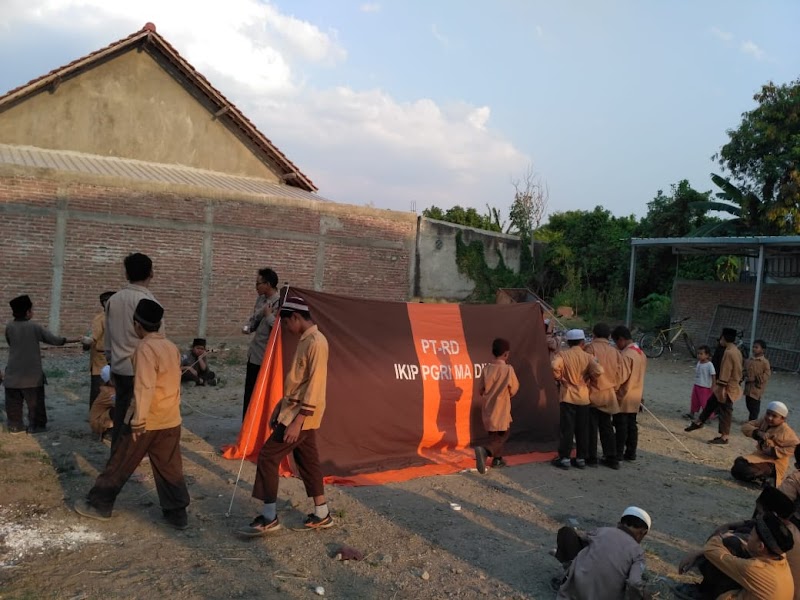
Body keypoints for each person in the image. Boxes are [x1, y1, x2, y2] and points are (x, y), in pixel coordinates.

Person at [75, 299, 190, 529]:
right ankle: (177, 514)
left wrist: (138, 420)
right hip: (170, 419)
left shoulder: (145, 348)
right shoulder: (171, 346)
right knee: (169, 467)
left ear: (137, 325)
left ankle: (99, 504)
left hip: (147, 419)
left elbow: (145, 386)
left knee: (120, 461)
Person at [238, 296, 333, 536]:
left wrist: (298, 421)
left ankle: (269, 517)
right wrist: (280, 407)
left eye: (286, 323)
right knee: (308, 461)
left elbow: (315, 387)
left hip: (301, 415)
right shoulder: (306, 340)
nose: (286, 329)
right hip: (293, 411)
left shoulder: (317, 343)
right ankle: (322, 513)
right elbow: (298, 383)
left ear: (296, 318)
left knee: (268, 457)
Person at [675, 486, 799, 600]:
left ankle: (704, 593)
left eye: (751, 535)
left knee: (728, 546)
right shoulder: (780, 552)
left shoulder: (753, 568)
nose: (749, 536)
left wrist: (723, 537)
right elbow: (749, 527)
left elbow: (712, 550)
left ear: (761, 546)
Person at [105, 252, 161, 453]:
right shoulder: (149, 302)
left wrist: (111, 363)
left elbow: (108, 336)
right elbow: (157, 343)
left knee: (121, 414)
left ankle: (117, 456)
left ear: (127, 273)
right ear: (151, 273)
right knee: (137, 416)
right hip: (140, 370)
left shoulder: (114, 299)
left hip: (119, 367)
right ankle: (124, 461)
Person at [4, 294, 80, 434]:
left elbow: (11, 343)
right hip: (32, 376)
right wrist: (76, 339)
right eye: (31, 310)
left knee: (13, 403)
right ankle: (36, 426)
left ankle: (15, 426)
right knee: (35, 405)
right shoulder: (34, 327)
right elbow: (54, 340)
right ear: (27, 312)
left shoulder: (9, 327)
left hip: (12, 375)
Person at [552, 506, 652, 599]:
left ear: (618, 524)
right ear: (643, 532)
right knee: (643, 591)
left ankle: (566, 575)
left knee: (567, 532)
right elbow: (634, 582)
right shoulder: (638, 553)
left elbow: (577, 540)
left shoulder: (600, 531)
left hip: (572, 593)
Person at [551, 329, 603, 470]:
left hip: (567, 396)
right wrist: (588, 378)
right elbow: (599, 370)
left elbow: (554, 366)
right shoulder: (588, 357)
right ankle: (581, 458)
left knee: (567, 429)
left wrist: (560, 378)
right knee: (582, 429)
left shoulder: (563, 354)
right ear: (582, 342)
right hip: (583, 398)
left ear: (568, 342)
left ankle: (565, 458)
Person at [685, 327, 743, 445]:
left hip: (726, 387)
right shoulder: (736, 350)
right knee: (711, 403)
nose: (720, 340)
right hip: (729, 385)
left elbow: (726, 371)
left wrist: (720, 387)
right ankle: (699, 422)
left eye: (721, 337)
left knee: (726, 411)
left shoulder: (729, 352)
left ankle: (724, 437)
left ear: (724, 338)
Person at [473, 338, 520, 474]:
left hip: (488, 407)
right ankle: (485, 451)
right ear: (506, 354)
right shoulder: (508, 369)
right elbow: (514, 388)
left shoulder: (486, 368)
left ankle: (497, 460)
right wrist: (507, 394)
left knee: (494, 435)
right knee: (503, 433)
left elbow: (481, 389)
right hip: (502, 407)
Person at [242, 268, 280, 420]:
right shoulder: (261, 299)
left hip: (265, 358)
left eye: (258, 284)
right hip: (254, 354)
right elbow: (256, 321)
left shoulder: (279, 303)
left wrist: (269, 316)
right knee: (249, 393)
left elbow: (279, 330)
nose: (256, 287)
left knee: (260, 394)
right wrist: (249, 327)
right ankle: (246, 426)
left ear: (268, 284)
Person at [731, 402, 799, 488]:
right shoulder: (763, 421)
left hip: (775, 462)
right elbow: (746, 426)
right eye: (768, 414)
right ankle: (761, 478)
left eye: (774, 416)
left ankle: (770, 478)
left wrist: (774, 451)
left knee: (747, 470)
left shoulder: (786, 431)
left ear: (783, 418)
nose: (769, 418)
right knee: (738, 465)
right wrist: (758, 432)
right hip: (760, 456)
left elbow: (795, 446)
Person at [584, 323, 623, 469]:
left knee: (591, 427)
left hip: (593, 392)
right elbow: (619, 375)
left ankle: (591, 457)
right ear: (608, 336)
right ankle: (611, 457)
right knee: (606, 426)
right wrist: (614, 388)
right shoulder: (615, 352)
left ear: (594, 334)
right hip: (609, 393)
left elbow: (586, 370)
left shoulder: (590, 348)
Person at [612, 326, 647, 462]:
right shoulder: (640, 353)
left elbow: (620, 378)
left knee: (621, 427)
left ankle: (618, 454)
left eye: (616, 342)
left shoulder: (626, 355)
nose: (617, 346)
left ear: (621, 339)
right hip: (636, 394)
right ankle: (631, 453)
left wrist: (612, 390)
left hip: (624, 395)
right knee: (632, 426)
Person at [83, 291, 115, 408]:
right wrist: (86, 342)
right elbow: (93, 338)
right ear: (105, 303)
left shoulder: (121, 317)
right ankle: (95, 415)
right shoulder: (100, 319)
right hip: (101, 359)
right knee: (99, 388)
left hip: (117, 358)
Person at [684, 345, 716, 421]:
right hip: (697, 385)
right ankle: (692, 413)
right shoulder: (699, 363)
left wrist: (713, 385)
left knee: (705, 402)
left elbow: (713, 375)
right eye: (698, 353)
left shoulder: (709, 365)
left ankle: (708, 416)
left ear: (707, 355)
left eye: (701, 354)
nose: (699, 355)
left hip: (705, 387)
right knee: (694, 400)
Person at [744, 340, 772, 421]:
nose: (754, 349)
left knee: (754, 406)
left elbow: (767, 374)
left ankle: (753, 421)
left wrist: (757, 379)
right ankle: (751, 419)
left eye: (756, 347)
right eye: (753, 347)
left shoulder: (765, 362)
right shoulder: (750, 360)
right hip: (748, 387)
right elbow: (745, 370)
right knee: (748, 403)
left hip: (757, 388)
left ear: (763, 350)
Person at [88, 364, 115, 440]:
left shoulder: (108, 389)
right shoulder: (108, 392)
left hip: (100, 419)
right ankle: (108, 431)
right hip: (98, 422)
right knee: (120, 409)